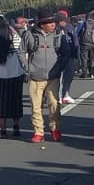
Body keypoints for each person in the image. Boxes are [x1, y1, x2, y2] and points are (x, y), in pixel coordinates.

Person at [24, 12, 63, 144]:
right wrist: (26, 67)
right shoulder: (30, 35)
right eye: (50, 23)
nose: (53, 25)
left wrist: (60, 67)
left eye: (54, 22)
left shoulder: (58, 35)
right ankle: (38, 131)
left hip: (53, 77)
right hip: (35, 77)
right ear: (42, 24)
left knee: (54, 104)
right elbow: (21, 51)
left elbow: (66, 52)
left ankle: (55, 128)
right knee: (36, 106)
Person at [0, 16, 25, 137]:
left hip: (0, 78)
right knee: (15, 103)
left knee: (0, 106)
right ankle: (16, 128)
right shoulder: (15, 40)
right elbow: (22, 56)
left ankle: (3, 131)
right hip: (16, 76)